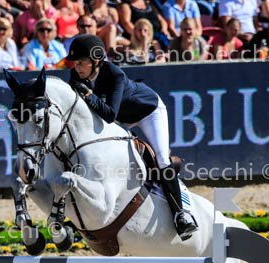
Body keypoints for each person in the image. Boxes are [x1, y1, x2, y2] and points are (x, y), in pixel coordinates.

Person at [66, 34, 198, 240]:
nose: (77, 67)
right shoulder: (76, 77)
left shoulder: (114, 74)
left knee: (162, 159)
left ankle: (181, 214)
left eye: (82, 62)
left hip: (148, 111)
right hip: (122, 119)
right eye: (75, 62)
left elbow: (109, 114)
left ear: (96, 60)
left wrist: (89, 96)